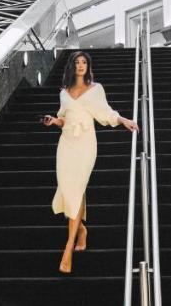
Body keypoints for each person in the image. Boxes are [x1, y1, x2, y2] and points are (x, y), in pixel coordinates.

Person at [42, 51, 138, 273]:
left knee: (76, 189)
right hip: (66, 143)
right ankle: (82, 230)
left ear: (88, 66)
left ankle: (67, 249)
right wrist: (53, 120)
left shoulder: (96, 89)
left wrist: (123, 120)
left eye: (84, 62)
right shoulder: (64, 93)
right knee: (70, 189)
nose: (81, 65)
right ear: (72, 67)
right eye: (77, 62)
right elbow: (63, 118)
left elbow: (105, 112)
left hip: (85, 144)